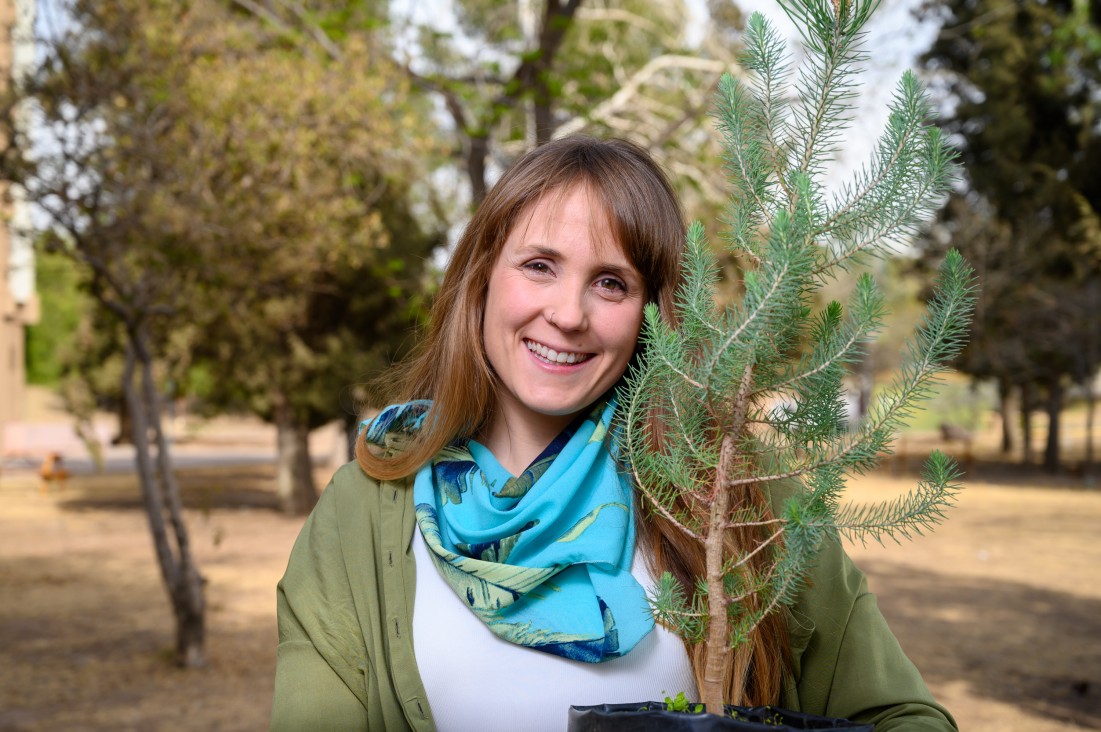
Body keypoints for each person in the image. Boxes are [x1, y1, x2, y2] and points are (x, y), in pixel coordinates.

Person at [271, 136, 957, 731]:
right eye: (538, 265)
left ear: (652, 313)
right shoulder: (365, 510)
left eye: (610, 283)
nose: (568, 314)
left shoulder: (731, 490)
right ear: (480, 280)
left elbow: (901, 718)